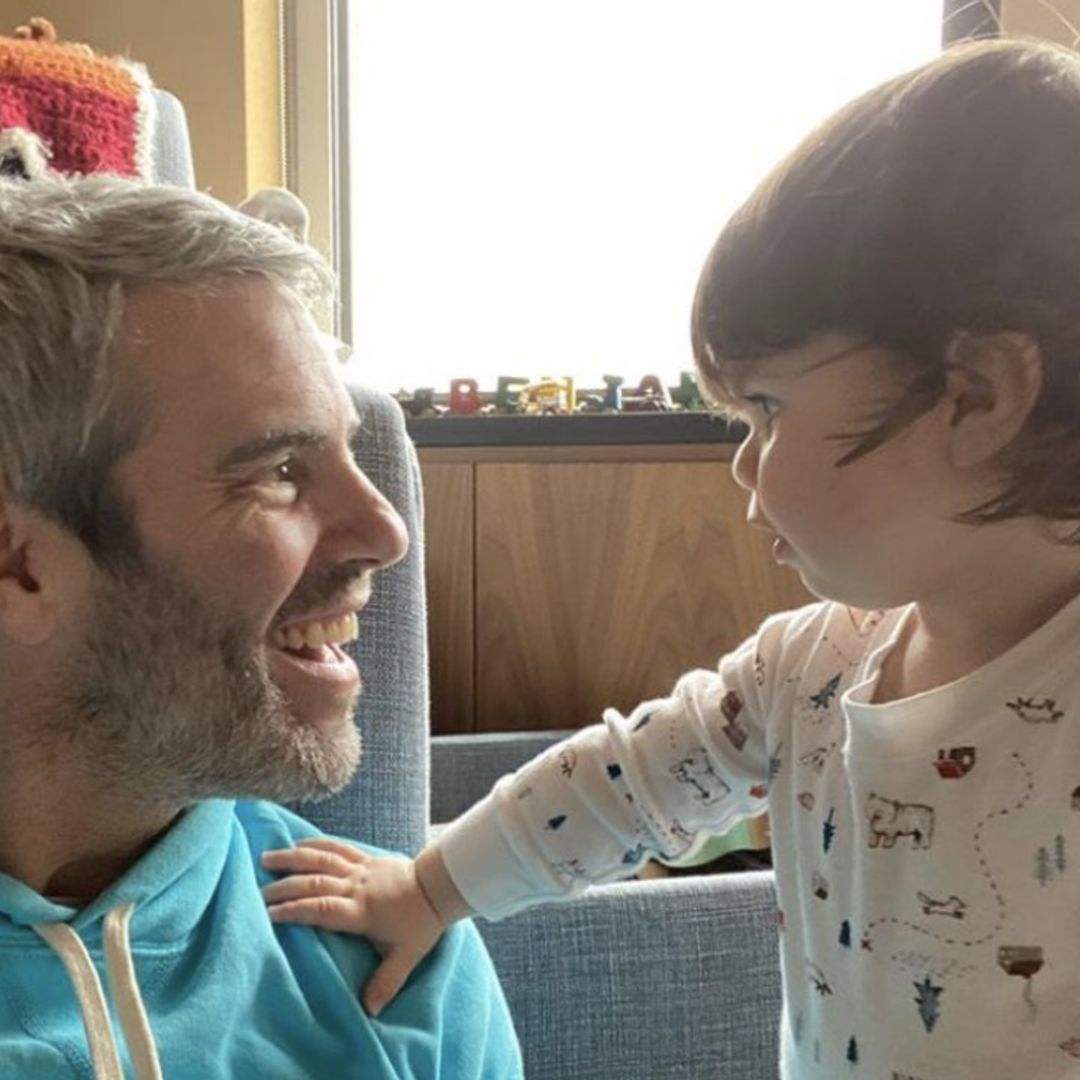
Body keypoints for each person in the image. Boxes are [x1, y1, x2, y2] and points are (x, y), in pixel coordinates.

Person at [262, 37, 1080, 1079]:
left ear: (979, 396)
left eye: (768, 412)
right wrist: (428, 890)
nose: (744, 471)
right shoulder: (805, 668)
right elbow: (616, 783)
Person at [0, 175, 522, 1079]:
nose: (386, 534)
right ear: (19, 564)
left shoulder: (389, 953)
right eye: (280, 470)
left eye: (349, 453)